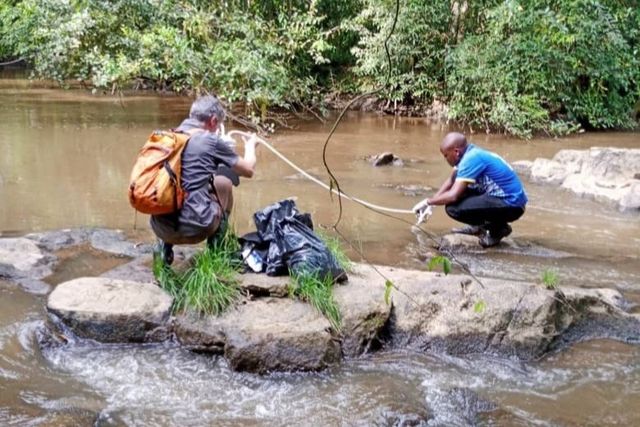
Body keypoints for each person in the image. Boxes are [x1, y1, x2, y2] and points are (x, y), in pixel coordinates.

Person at [151, 95, 258, 264]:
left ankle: (163, 250)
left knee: (166, 187)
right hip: (196, 228)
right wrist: (250, 146)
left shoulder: (165, 137)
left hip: (161, 228)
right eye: (217, 126)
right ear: (214, 120)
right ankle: (216, 253)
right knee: (224, 183)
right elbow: (248, 170)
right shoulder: (210, 141)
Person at [412, 132, 527, 248]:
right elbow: (451, 181)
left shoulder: (471, 159)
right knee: (462, 192)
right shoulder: (469, 153)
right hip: (505, 198)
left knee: (453, 208)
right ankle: (477, 227)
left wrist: (428, 202)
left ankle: (498, 229)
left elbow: (453, 195)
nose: (446, 159)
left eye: (446, 155)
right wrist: (432, 203)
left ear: (456, 152)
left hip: (512, 204)